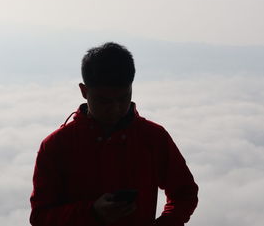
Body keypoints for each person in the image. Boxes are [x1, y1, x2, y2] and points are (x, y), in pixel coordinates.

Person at [30, 42, 199, 226]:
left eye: (123, 98)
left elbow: (185, 192)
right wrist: (92, 212)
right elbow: (40, 217)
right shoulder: (57, 146)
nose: (115, 108)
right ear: (84, 91)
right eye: (104, 101)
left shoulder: (153, 138)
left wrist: (168, 222)